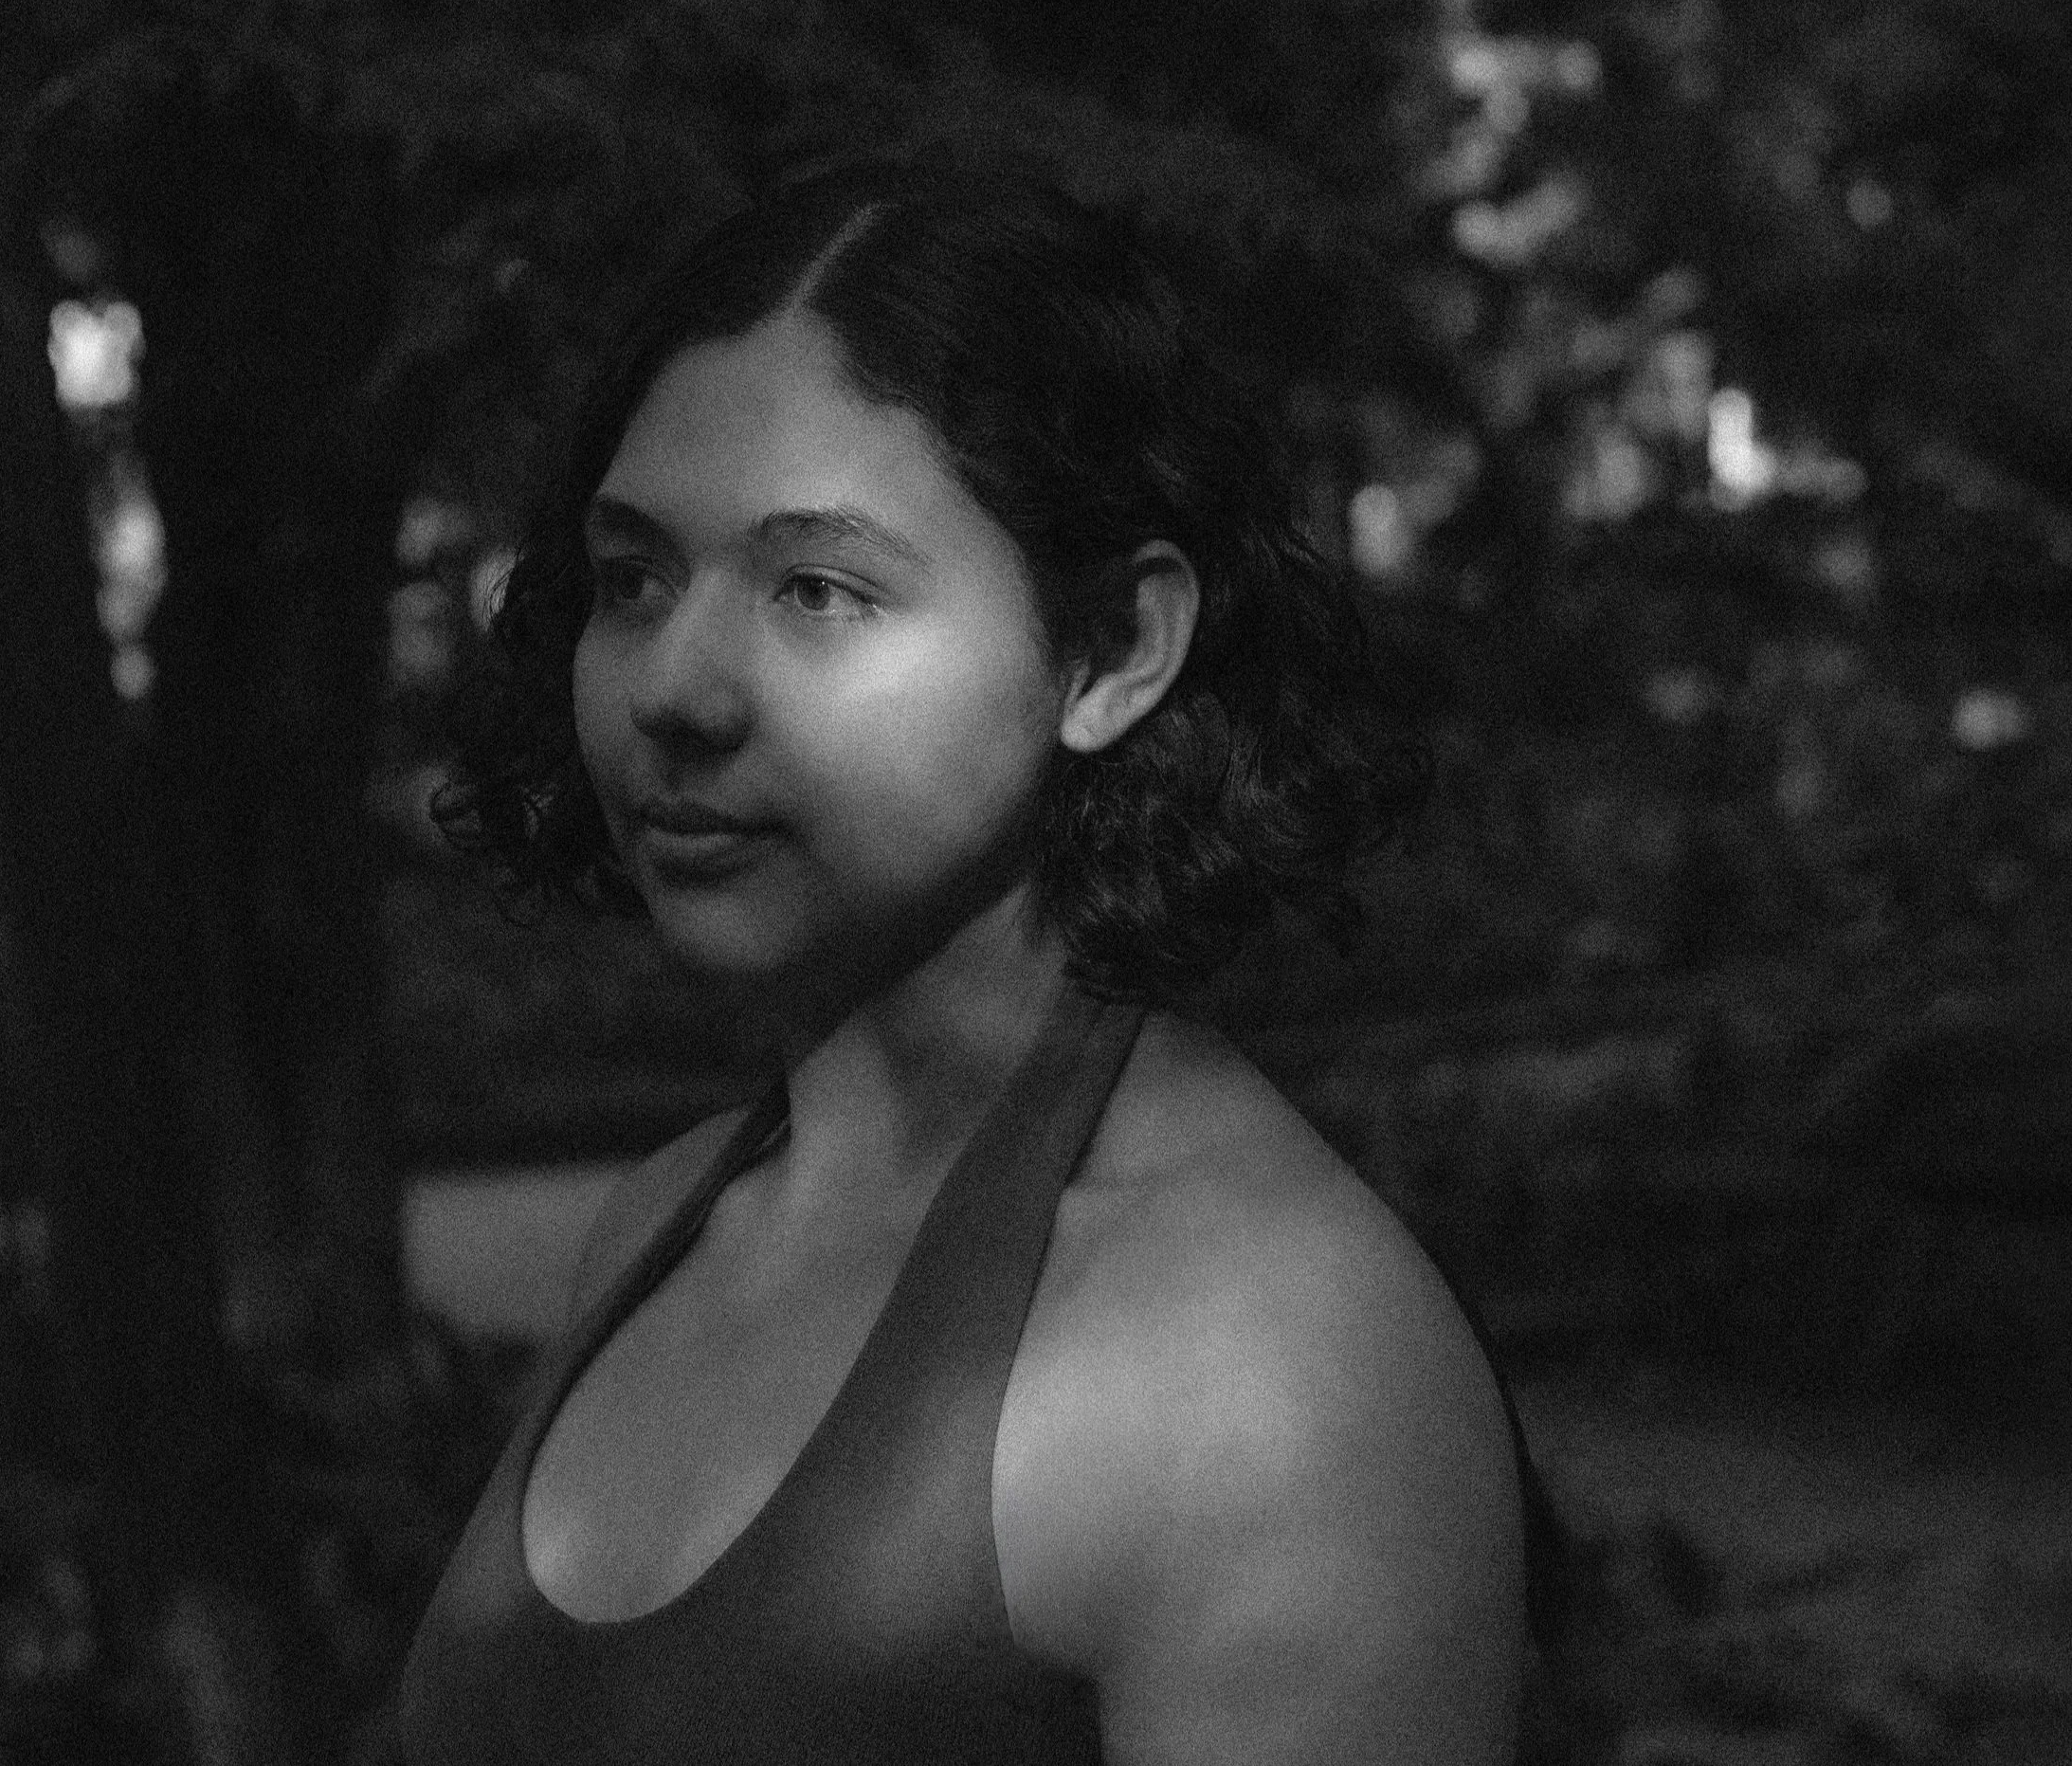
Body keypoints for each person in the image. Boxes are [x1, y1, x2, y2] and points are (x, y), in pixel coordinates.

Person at [400, 155, 1534, 1766]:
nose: (678, 686)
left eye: (819, 588)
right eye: (636, 576)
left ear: (1115, 650)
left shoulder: (1272, 1361)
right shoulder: (665, 1221)